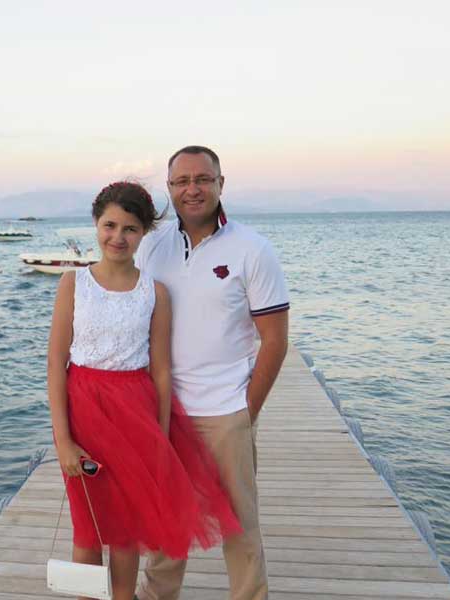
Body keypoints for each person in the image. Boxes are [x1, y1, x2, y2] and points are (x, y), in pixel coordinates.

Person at [47, 181, 241, 600]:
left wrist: (162, 437)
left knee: (126, 529)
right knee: (88, 526)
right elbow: (55, 367)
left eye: (130, 228)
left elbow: (162, 372)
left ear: (144, 233)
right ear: (96, 225)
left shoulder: (154, 293)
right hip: (84, 410)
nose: (118, 237)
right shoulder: (72, 285)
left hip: (136, 412)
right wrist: (63, 440)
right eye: (110, 225)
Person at [135, 146, 290, 600]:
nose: (192, 189)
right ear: (169, 189)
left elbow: (275, 341)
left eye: (202, 179)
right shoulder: (152, 245)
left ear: (222, 183)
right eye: (181, 181)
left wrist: (247, 409)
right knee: (166, 522)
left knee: (239, 524)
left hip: (226, 410)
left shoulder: (252, 250)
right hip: (167, 410)